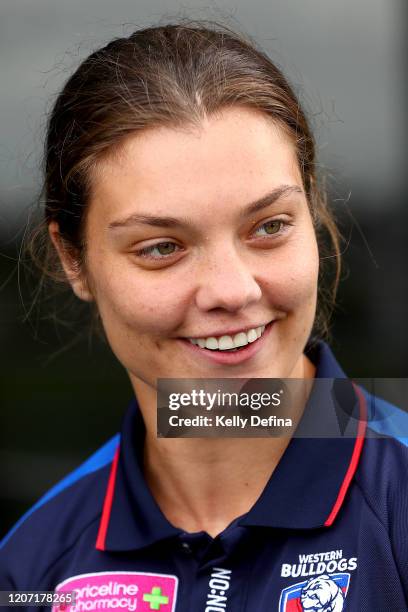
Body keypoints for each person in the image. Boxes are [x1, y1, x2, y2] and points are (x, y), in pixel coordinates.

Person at [0, 21, 407, 612]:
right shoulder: (30, 567)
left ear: (314, 214)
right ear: (74, 260)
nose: (231, 291)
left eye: (269, 227)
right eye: (162, 246)